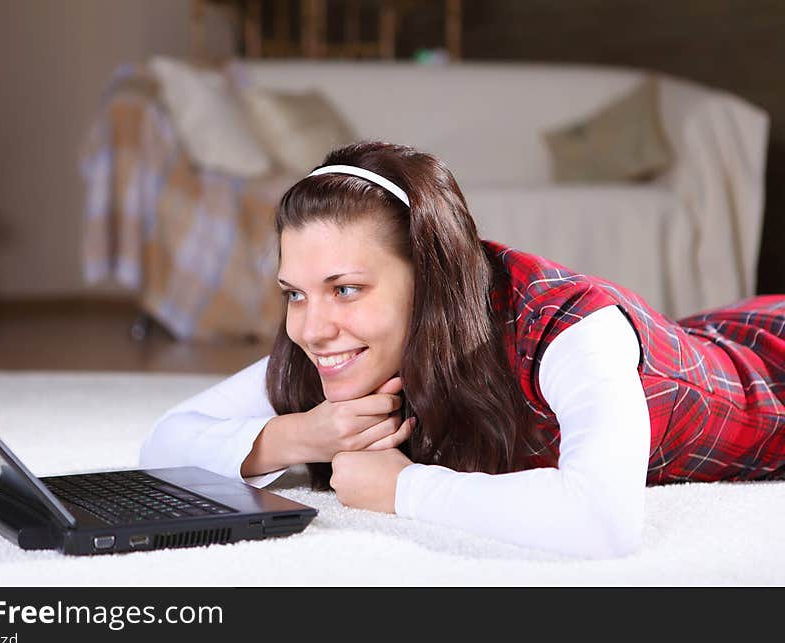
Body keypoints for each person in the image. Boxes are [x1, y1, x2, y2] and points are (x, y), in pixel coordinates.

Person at [140, 141, 785, 558]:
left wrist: (405, 489)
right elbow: (164, 446)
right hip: (708, 330)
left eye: (346, 288)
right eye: (296, 293)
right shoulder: (333, 343)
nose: (311, 329)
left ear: (433, 280)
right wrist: (298, 438)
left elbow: (605, 522)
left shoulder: (571, 330)